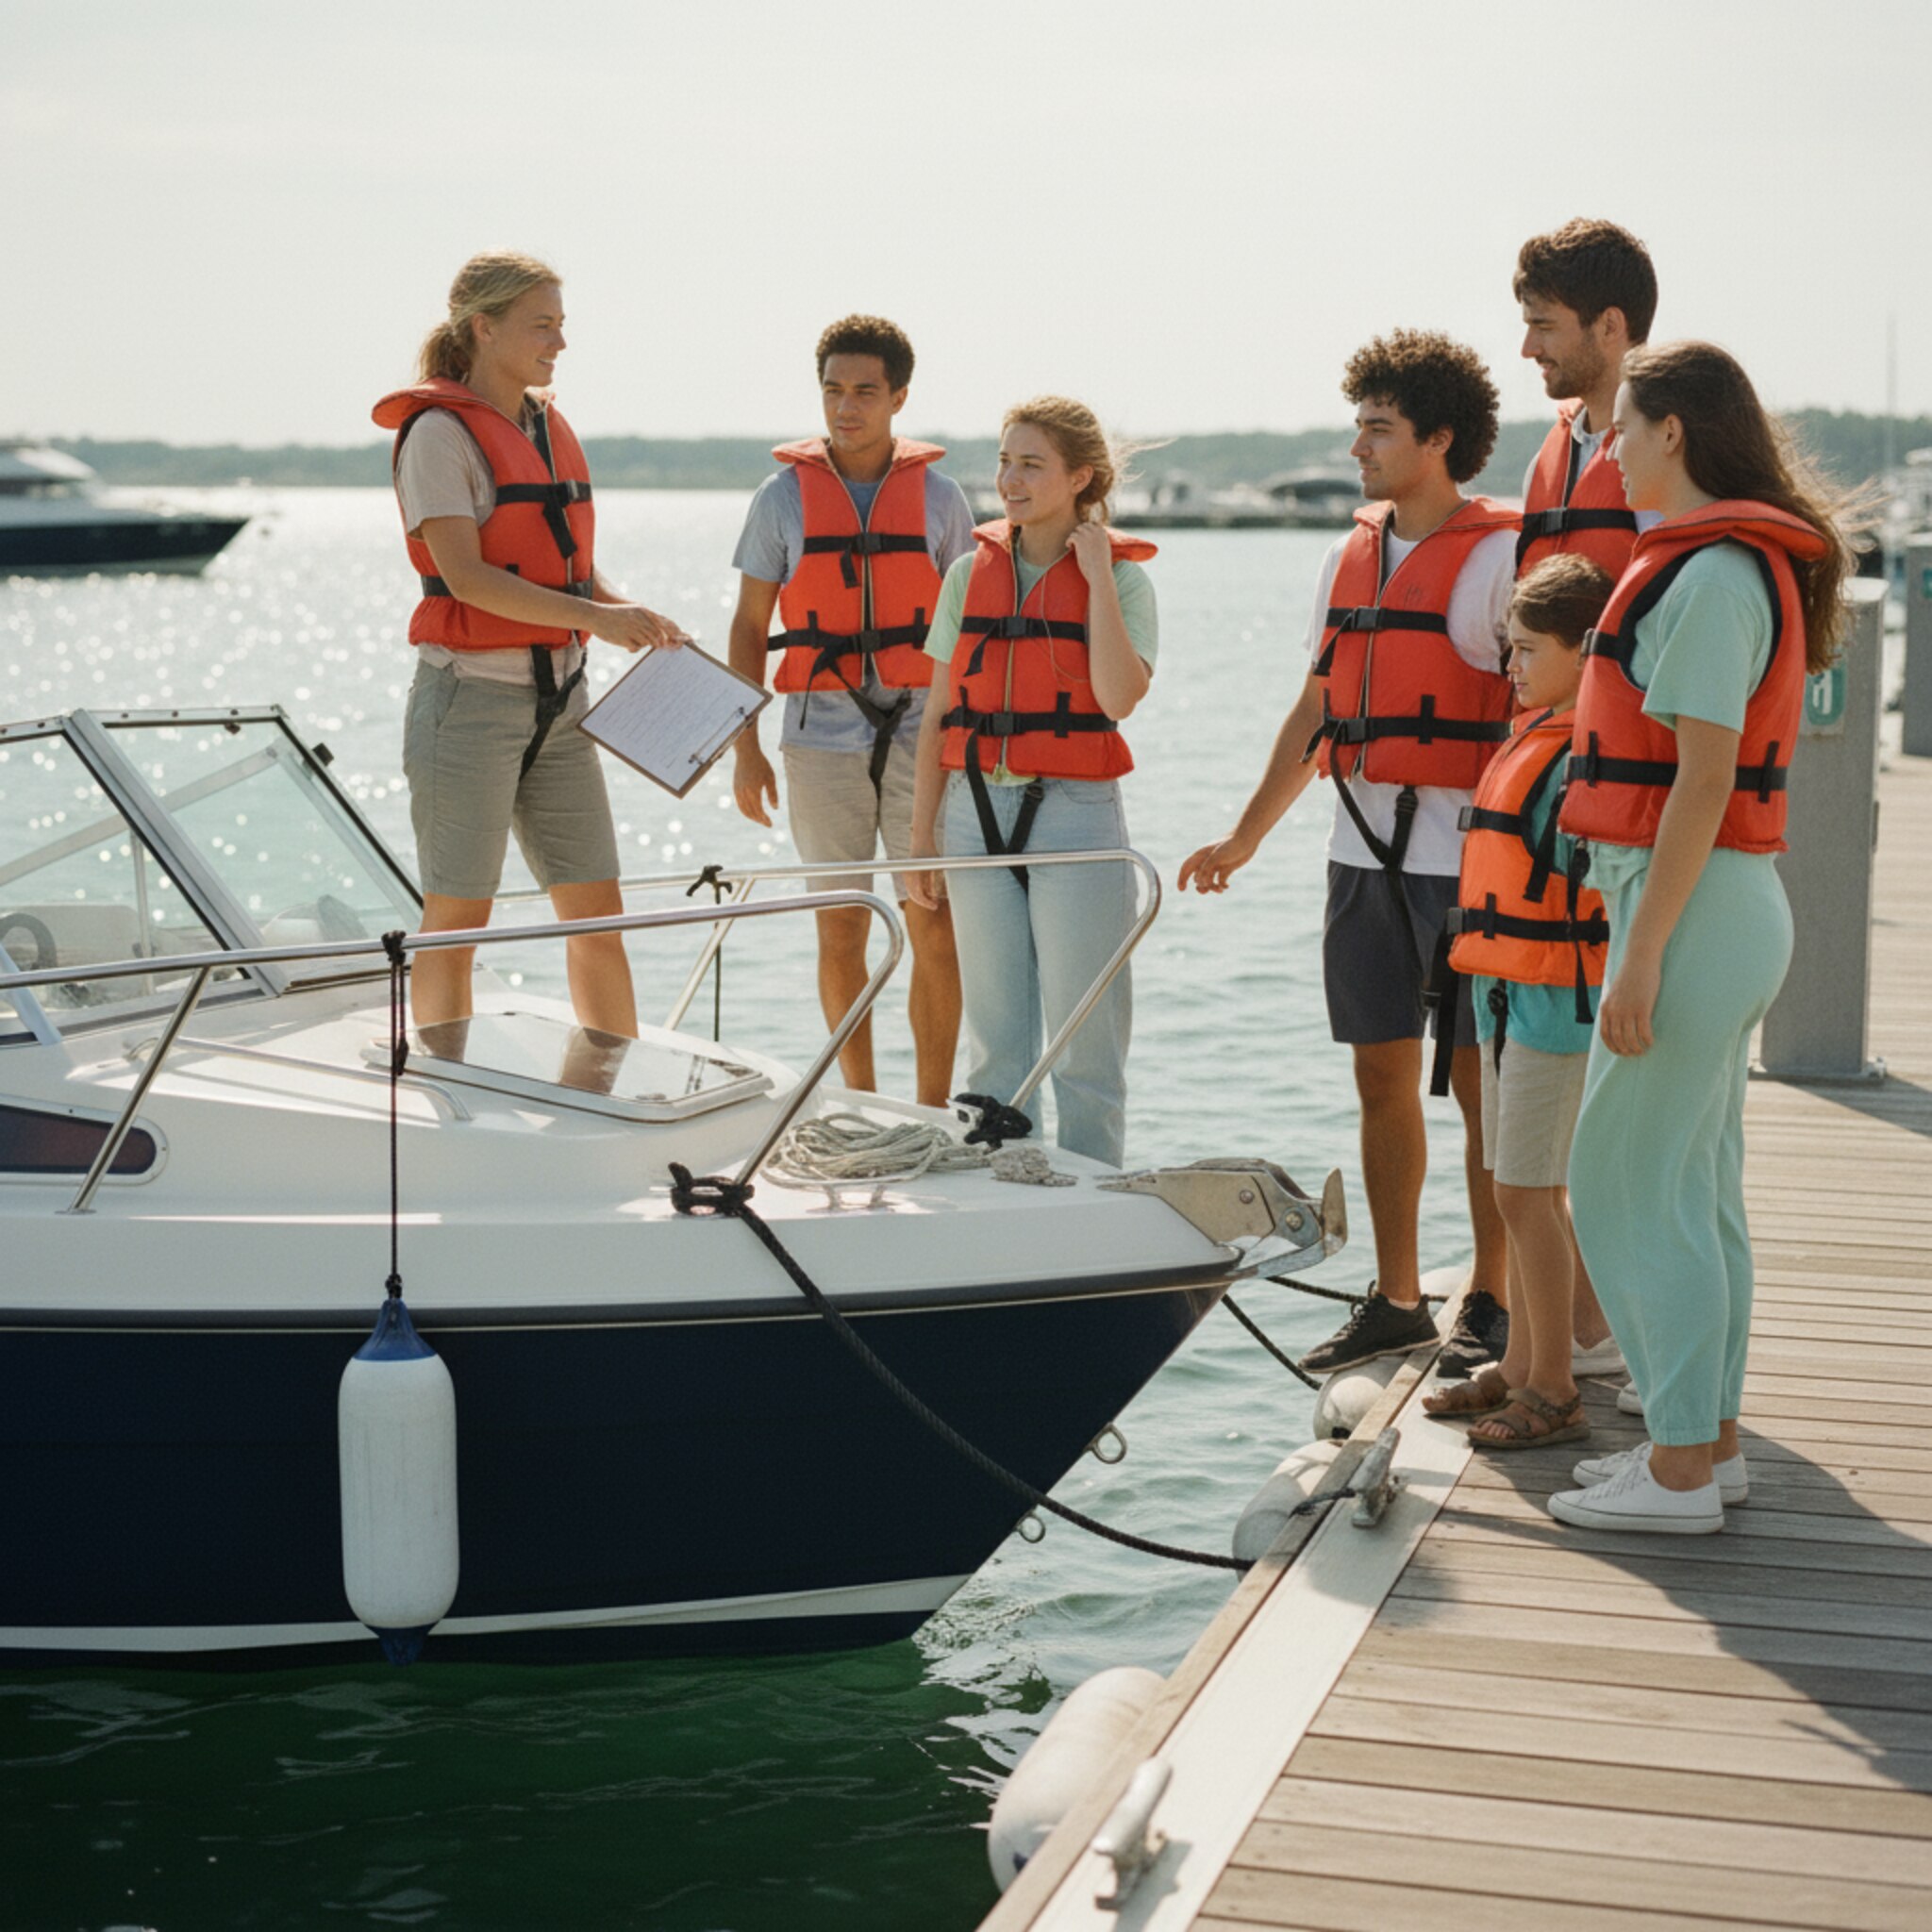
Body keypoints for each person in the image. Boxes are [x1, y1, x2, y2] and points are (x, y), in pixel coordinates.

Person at [1548, 341, 1855, 1534]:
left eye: (1621, 427)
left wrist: (1637, 952)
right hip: (1717, 904)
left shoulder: (1716, 575)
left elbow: (1698, 780)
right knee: (1694, 1186)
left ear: (1671, 431)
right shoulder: (1719, 567)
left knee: (1622, 1183)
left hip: (1696, 908)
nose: (1609, 447)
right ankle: (1706, 1442)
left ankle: (1675, 1467)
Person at [1179, 332, 1515, 1374]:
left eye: (1377, 427)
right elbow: (1319, 706)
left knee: (1477, 1090)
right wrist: (1244, 832)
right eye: (1356, 424)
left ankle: (1490, 1299)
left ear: (1438, 439)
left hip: (1465, 865)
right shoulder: (1346, 551)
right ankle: (1400, 1296)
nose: (1357, 445)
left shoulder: (1504, 555)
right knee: (1378, 1081)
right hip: (1358, 853)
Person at [374, 252, 688, 1032]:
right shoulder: (438, 435)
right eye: (541, 325)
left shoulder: (546, 424)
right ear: (484, 328)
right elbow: (468, 577)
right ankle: (448, 1095)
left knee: (597, 915)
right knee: (457, 921)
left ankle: (609, 1084)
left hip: (562, 706)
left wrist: (625, 610)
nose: (558, 343)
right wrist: (599, 622)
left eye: (561, 325)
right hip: (468, 706)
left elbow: (569, 567)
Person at [907, 397, 1157, 1168]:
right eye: (1005, 461)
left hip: (1075, 814)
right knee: (996, 1043)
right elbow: (937, 717)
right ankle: (1000, 1192)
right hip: (974, 813)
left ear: (1081, 478)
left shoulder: (1124, 582)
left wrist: (1097, 584)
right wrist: (921, 839)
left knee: (1085, 1045)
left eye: (1031, 464)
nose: (1008, 480)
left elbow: (1118, 699)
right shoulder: (965, 574)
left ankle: (1093, 1210)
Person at [727, 315, 971, 1108]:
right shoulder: (780, 498)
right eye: (833, 390)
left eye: (866, 392)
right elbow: (746, 623)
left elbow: (969, 629)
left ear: (899, 397)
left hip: (920, 730)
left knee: (931, 921)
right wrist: (746, 747)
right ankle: (864, 1102)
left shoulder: (940, 499)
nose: (846, 407)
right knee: (841, 927)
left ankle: (932, 1109)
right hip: (816, 734)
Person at [1421, 557, 1611, 1446]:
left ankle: (1556, 1393)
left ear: (1588, 652)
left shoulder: (1587, 758)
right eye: (1511, 649)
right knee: (1516, 1190)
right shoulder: (1541, 735)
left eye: (1529, 650)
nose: (1513, 667)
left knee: (1531, 1193)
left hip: (1553, 1004)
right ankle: (1524, 1368)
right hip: (1506, 993)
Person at [1516, 219, 1659, 582]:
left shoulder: (1674, 459)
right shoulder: (1542, 467)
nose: (1528, 349)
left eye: (1544, 327)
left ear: (1610, 326)